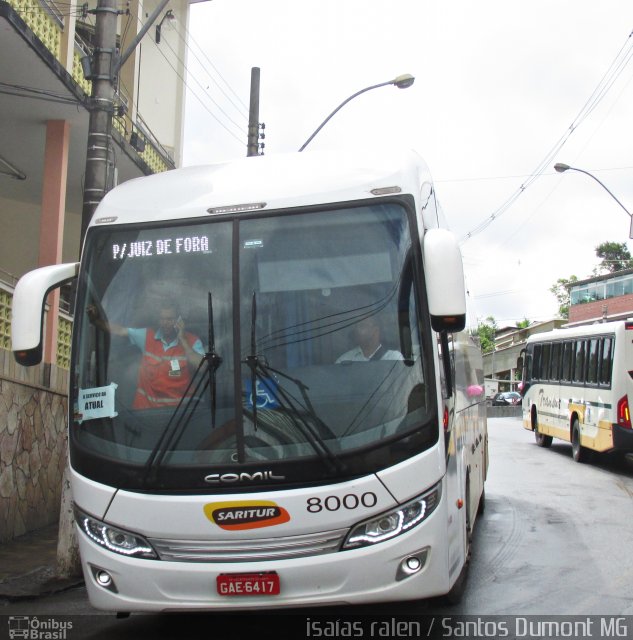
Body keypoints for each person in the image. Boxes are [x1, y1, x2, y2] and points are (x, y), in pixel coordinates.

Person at [87, 302, 205, 409]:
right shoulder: (147, 336)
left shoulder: (193, 342)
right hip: (145, 414)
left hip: (179, 416)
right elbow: (120, 331)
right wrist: (96, 321)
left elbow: (203, 367)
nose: (165, 323)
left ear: (179, 321)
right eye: (162, 319)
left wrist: (183, 341)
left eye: (170, 319)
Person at [336, 316, 402, 363]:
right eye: (356, 326)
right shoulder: (345, 360)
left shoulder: (394, 358)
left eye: (362, 326)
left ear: (375, 330)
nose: (356, 330)